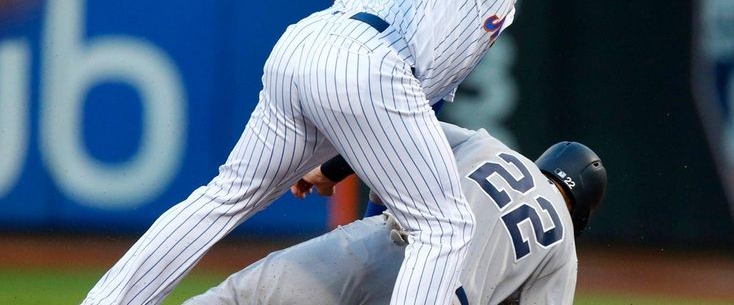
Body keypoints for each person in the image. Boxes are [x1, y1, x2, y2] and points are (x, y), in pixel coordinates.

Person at [82, 0, 584, 304]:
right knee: (446, 227)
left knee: (224, 198)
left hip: (311, 49)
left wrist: (336, 165)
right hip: (369, 65)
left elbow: (415, 113)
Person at [182, 122, 608, 305]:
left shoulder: (491, 147)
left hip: (381, 248)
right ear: (582, 210)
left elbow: (397, 132)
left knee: (244, 296)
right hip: (439, 292)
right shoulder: (563, 245)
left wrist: (329, 171)